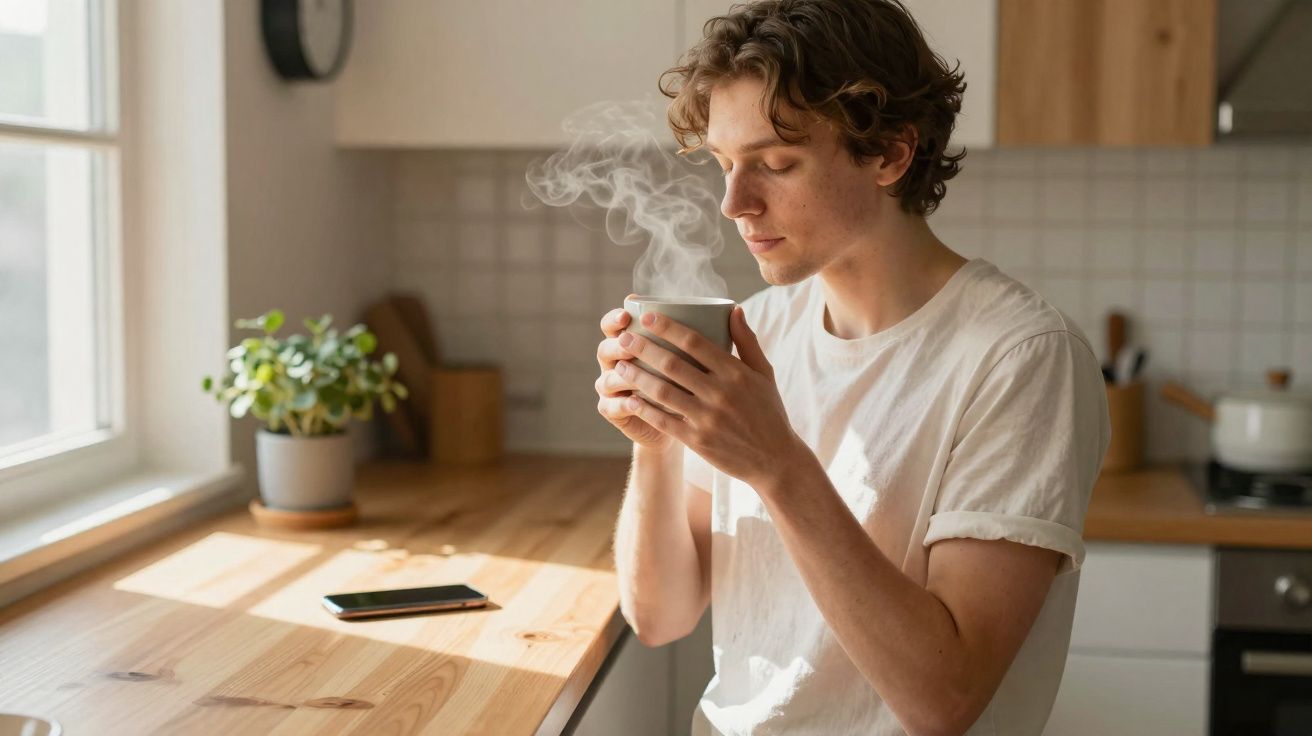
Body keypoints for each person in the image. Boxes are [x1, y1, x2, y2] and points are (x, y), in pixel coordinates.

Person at [593, 1, 1110, 733]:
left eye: (777, 164)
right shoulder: (762, 329)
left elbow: (945, 699)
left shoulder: (1019, 357)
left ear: (890, 155)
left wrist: (778, 465)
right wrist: (656, 443)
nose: (735, 203)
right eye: (724, 165)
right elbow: (658, 616)